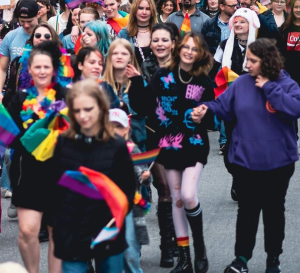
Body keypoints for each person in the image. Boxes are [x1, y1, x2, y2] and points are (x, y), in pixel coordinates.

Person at [193, 40, 300, 273]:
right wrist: (206, 109)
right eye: (246, 59)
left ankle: (273, 260)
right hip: (246, 160)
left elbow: (294, 109)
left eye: (252, 61)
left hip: (278, 162)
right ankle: (241, 260)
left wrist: (269, 88)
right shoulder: (241, 83)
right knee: (247, 211)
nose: (246, 64)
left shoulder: (286, 84)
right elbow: (223, 106)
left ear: (267, 62)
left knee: (273, 212)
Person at [127, 32, 215, 273]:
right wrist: (136, 81)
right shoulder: (162, 75)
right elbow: (144, 106)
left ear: (200, 53)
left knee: (188, 195)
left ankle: (200, 250)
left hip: (194, 144)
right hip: (168, 145)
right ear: (179, 49)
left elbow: (213, 117)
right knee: (177, 199)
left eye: (194, 49)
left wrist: (204, 113)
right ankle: (184, 258)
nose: (189, 52)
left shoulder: (203, 80)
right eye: (186, 47)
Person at [50, 80, 135, 273]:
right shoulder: (63, 143)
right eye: (77, 110)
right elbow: (54, 188)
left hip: (108, 230)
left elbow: (128, 190)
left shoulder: (117, 145)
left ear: (101, 108)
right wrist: (58, 224)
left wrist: (115, 220)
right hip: (72, 230)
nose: (83, 116)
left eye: (88, 109)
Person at [7, 45, 66, 273]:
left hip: (59, 172)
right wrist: (32, 138)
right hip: (27, 172)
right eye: (37, 67)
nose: (42, 71)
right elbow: (9, 134)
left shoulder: (64, 96)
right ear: (29, 69)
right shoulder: (19, 98)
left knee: (56, 232)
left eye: (46, 67)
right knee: (27, 231)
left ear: (54, 70)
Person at [139, 23, 179, 268]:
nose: (160, 44)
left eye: (165, 40)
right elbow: (142, 102)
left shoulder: (185, 66)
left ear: (173, 43)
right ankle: (167, 246)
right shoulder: (145, 66)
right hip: (154, 133)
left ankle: (176, 240)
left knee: (178, 190)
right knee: (163, 186)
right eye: (156, 40)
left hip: (181, 136)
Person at [109, 108, 151, 273]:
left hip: (130, 206)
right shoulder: (102, 149)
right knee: (110, 251)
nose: (115, 131)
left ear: (127, 129)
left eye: (119, 127)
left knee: (130, 251)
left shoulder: (132, 149)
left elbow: (142, 172)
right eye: (111, 126)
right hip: (108, 206)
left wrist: (145, 176)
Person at [103, 39, 145, 151]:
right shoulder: (101, 84)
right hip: (108, 140)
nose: (119, 57)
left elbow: (143, 109)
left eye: (124, 54)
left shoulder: (139, 81)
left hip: (136, 140)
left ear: (130, 57)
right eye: (115, 53)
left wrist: (137, 82)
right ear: (110, 56)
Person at [0, 0, 39, 102]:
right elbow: (2, 69)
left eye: (30, 21)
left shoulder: (46, 35)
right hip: (15, 94)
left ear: (38, 15)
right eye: (22, 21)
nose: (26, 25)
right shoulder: (10, 36)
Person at [119, 0, 158, 67]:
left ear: (152, 11)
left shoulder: (159, 32)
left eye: (148, 9)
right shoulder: (124, 33)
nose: (144, 12)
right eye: (140, 8)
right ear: (134, 10)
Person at [278, 0, 300, 87]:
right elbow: (279, 47)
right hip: (288, 71)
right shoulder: (285, 27)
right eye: (296, 7)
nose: (298, 10)